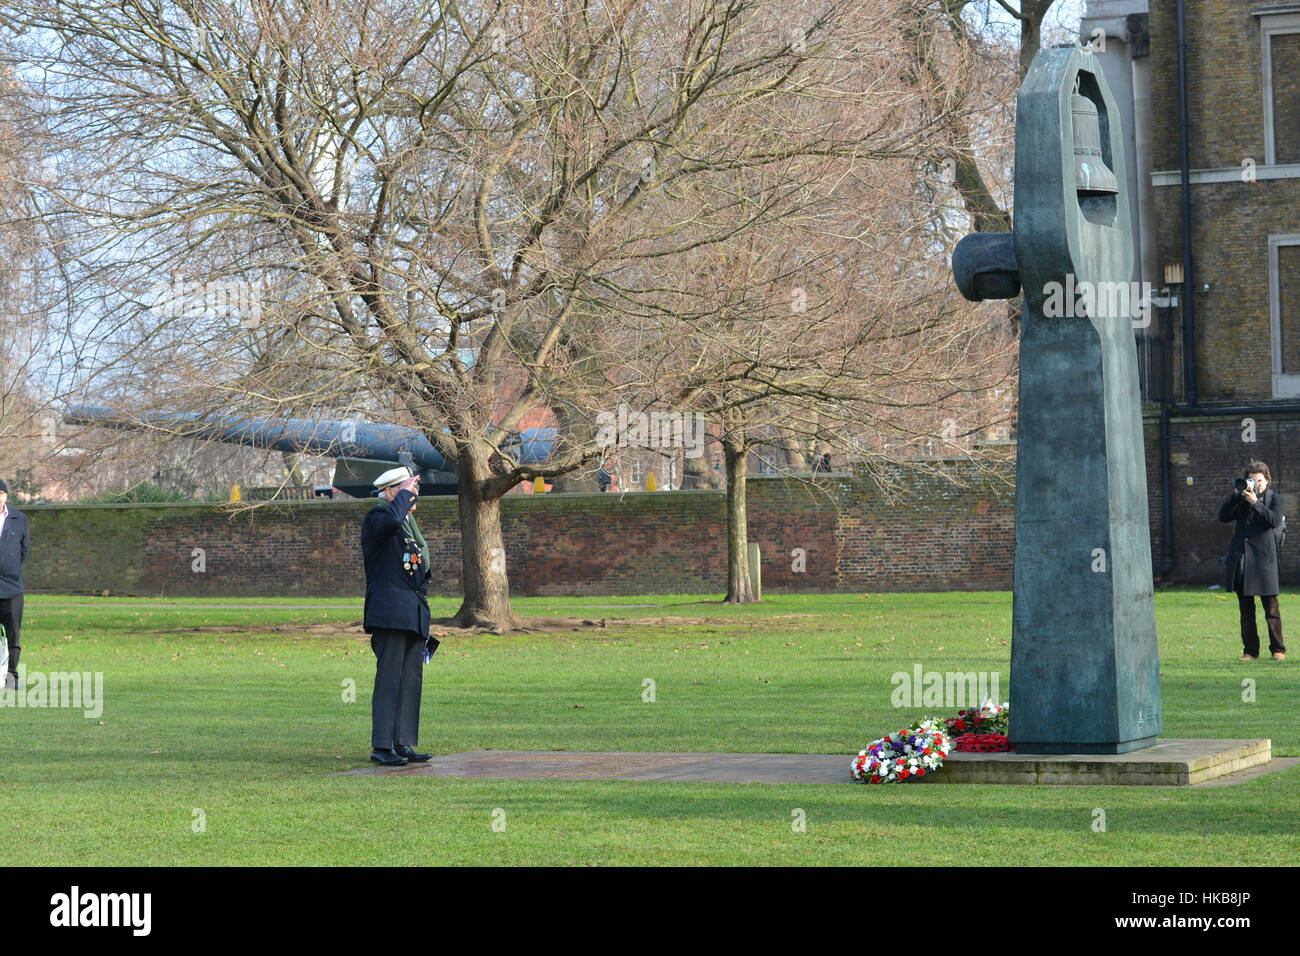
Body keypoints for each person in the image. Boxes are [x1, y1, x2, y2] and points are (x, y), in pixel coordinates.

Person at [361, 466, 439, 765]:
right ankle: (382, 746)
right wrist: (404, 492)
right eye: (407, 490)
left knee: (410, 680)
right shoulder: (378, 517)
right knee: (389, 679)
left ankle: (403, 742)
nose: (413, 495)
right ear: (391, 492)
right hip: (390, 612)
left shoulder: (407, 523)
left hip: (413, 611)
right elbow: (391, 521)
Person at [1219, 460, 1286, 661]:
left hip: (1265, 559)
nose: (1256, 484)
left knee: (1271, 609)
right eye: (1252, 480)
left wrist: (1255, 503)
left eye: (1259, 480)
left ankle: (1278, 650)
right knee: (1246, 610)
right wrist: (1234, 497)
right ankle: (1250, 651)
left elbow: (1274, 521)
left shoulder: (1276, 499)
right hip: (1244, 559)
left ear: (1267, 480)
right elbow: (1223, 517)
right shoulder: (1241, 499)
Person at [0, 478, 30, 690]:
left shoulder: (20, 519)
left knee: (13, 636)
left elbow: (24, 550)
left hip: (12, 588)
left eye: (0, 494)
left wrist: (10, 569)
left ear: (6, 496)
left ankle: (12, 676)